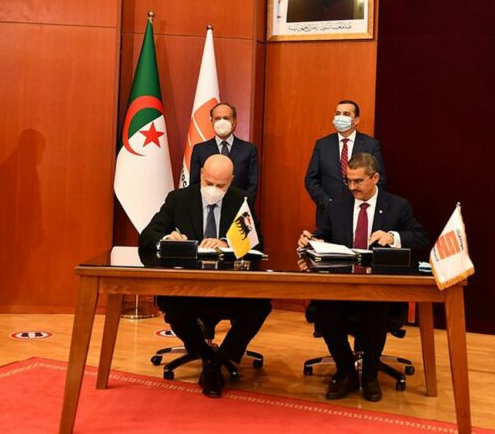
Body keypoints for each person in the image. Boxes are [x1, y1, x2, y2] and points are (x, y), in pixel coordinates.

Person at [298, 153, 428, 402]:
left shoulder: (397, 206)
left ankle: (369, 376)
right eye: (349, 181)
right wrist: (311, 240)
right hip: (341, 288)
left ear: (375, 178)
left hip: (379, 289)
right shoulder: (337, 204)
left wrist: (393, 237)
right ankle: (346, 371)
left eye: (358, 181)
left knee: (375, 312)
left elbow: (421, 238)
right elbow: (321, 235)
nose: (352, 187)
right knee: (324, 311)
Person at [139, 155, 271, 398]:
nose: (214, 190)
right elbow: (148, 234)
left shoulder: (241, 200)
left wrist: (227, 244)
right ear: (201, 175)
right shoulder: (179, 199)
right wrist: (166, 238)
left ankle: (215, 362)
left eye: (220, 185)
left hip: (230, 289)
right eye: (209, 182)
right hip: (188, 288)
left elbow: (257, 244)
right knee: (174, 305)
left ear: (230, 181)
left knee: (260, 306)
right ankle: (211, 359)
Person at [305, 100, 386, 228]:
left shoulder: (371, 145)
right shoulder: (322, 144)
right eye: (338, 113)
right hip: (327, 214)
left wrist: (361, 203)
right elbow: (311, 180)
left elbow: (379, 180)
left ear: (356, 120)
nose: (340, 117)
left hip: (360, 212)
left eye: (346, 114)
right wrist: (328, 204)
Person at [188, 102, 259, 205]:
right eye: (217, 118)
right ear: (211, 121)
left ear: (234, 121)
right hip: (208, 208)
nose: (222, 122)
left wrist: (244, 207)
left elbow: (252, 185)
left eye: (226, 118)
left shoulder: (249, 149)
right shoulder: (199, 150)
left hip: (238, 208)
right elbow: (194, 184)